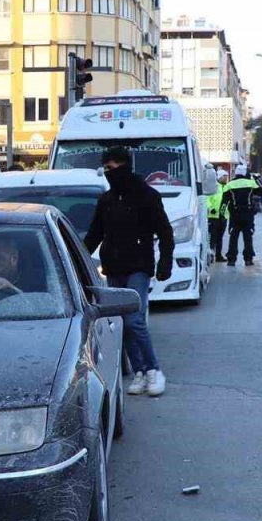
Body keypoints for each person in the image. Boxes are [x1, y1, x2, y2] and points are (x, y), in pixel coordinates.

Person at [84, 145, 173, 398]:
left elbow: (165, 231)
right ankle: (139, 372)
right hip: (114, 267)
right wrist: (74, 257)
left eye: (110, 168)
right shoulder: (107, 201)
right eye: (105, 168)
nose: (107, 173)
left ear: (123, 166)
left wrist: (165, 261)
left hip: (139, 267)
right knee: (123, 323)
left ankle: (154, 370)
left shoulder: (146, 196)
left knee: (134, 318)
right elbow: (94, 235)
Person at [222, 168, 262, 267]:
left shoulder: (229, 184)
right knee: (248, 237)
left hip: (234, 215)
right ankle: (248, 259)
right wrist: (257, 179)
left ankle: (231, 259)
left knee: (233, 238)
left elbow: (224, 202)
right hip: (248, 215)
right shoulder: (250, 183)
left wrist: (222, 215)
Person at [207, 169, 229, 263]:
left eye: (226, 176)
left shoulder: (227, 187)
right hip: (213, 216)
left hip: (223, 216)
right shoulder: (214, 187)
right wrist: (210, 207)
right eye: (224, 176)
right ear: (219, 177)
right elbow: (207, 198)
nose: (226, 178)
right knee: (213, 237)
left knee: (220, 237)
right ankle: (211, 254)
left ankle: (218, 255)